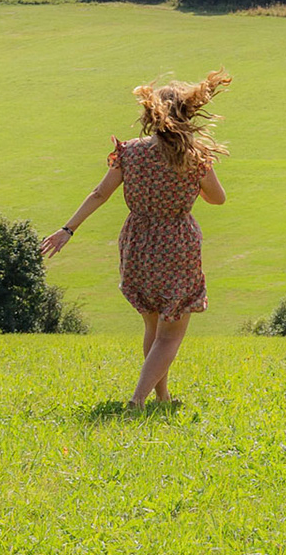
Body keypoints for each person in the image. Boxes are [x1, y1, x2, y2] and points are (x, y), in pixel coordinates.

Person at [43, 70, 231, 410]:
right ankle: (138, 400)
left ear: (151, 113)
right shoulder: (195, 156)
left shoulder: (129, 152)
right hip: (177, 244)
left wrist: (67, 230)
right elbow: (218, 199)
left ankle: (162, 397)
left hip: (138, 243)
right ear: (187, 113)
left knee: (153, 325)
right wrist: (190, 186)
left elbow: (100, 193)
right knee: (170, 334)